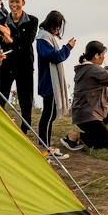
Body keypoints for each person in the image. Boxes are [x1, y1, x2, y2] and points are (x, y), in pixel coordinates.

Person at [63, 41, 108, 152]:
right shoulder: (93, 69)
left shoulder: (86, 67)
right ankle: (75, 136)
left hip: (82, 114)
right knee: (106, 143)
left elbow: (104, 72)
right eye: (102, 55)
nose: (103, 57)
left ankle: (93, 134)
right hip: (87, 116)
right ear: (96, 55)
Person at [0, 0, 40, 129]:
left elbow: (27, 42)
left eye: (17, 1)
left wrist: (11, 40)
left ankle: (25, 129)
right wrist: (9, 40)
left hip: (25, 65)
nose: (14, 5)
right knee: (0, 96)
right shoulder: (1, 20)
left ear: (23, 2)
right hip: (6, 64)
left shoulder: (32, 20)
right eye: (11, 1)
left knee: (26, 99)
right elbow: (1, 42)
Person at [34, 10, 76, 149]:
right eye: (57, 26)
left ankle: (45, 144)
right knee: (48, 114)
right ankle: (44, 146)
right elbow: (54, 57)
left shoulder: (45, 37)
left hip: (49, 81)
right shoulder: (43, 38)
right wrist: (68, 47)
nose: (58, 30)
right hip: (49, 82)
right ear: (52, 24)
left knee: (50, 114)